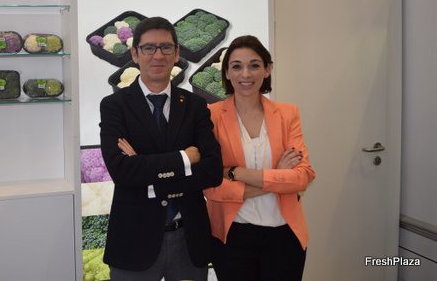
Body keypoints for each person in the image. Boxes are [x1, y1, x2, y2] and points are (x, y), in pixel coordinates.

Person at [99, 16, 223, 281]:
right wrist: (184, 159)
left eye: (166, 47)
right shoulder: (114, 106)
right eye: (149, 48)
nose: (158, 55)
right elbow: (121, 171)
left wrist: (147, 173)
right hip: (134, 241)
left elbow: (212, 171)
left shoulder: (195, 105)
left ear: (176, 53)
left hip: (188, 240)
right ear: (135, 54)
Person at [205, 35, 316, 281]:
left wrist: (236, 173)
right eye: (237, 66)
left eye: (254, 65)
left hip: (284, 235)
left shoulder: (288, 114)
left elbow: (303, 177)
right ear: (227, 72)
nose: (246, 74)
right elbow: (211, 186)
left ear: (267, 69)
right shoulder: (210, 116)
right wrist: (278, 176)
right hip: (232, 236)